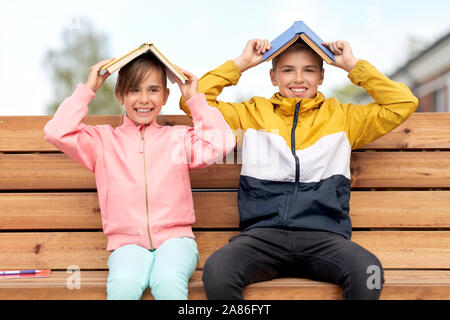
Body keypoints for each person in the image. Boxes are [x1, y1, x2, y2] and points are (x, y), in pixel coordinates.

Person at [179, 38, 418, 300]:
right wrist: (241, 64)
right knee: (217, 271)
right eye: (288, 70)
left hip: (325, 238)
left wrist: (352, 66)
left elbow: (403, 102)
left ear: (321, 76)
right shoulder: (250, 115)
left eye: (309, 70)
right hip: (262, 238)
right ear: (273, 77)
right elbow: (194, 100)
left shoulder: (346, 118)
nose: (298, 78)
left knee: (370, 271)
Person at [44, 53, 236, 300]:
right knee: (123, 284)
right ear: (120, 96)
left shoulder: (177, 139)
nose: (144, 99)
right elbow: (57, 132)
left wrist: (194, 100)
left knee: (167, 280)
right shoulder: (102, 142)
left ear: (166, 96)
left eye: (153, 90)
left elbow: (223, 142)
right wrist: (88, 89)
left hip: (176, 242)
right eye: (134, 90)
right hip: (126, 246)